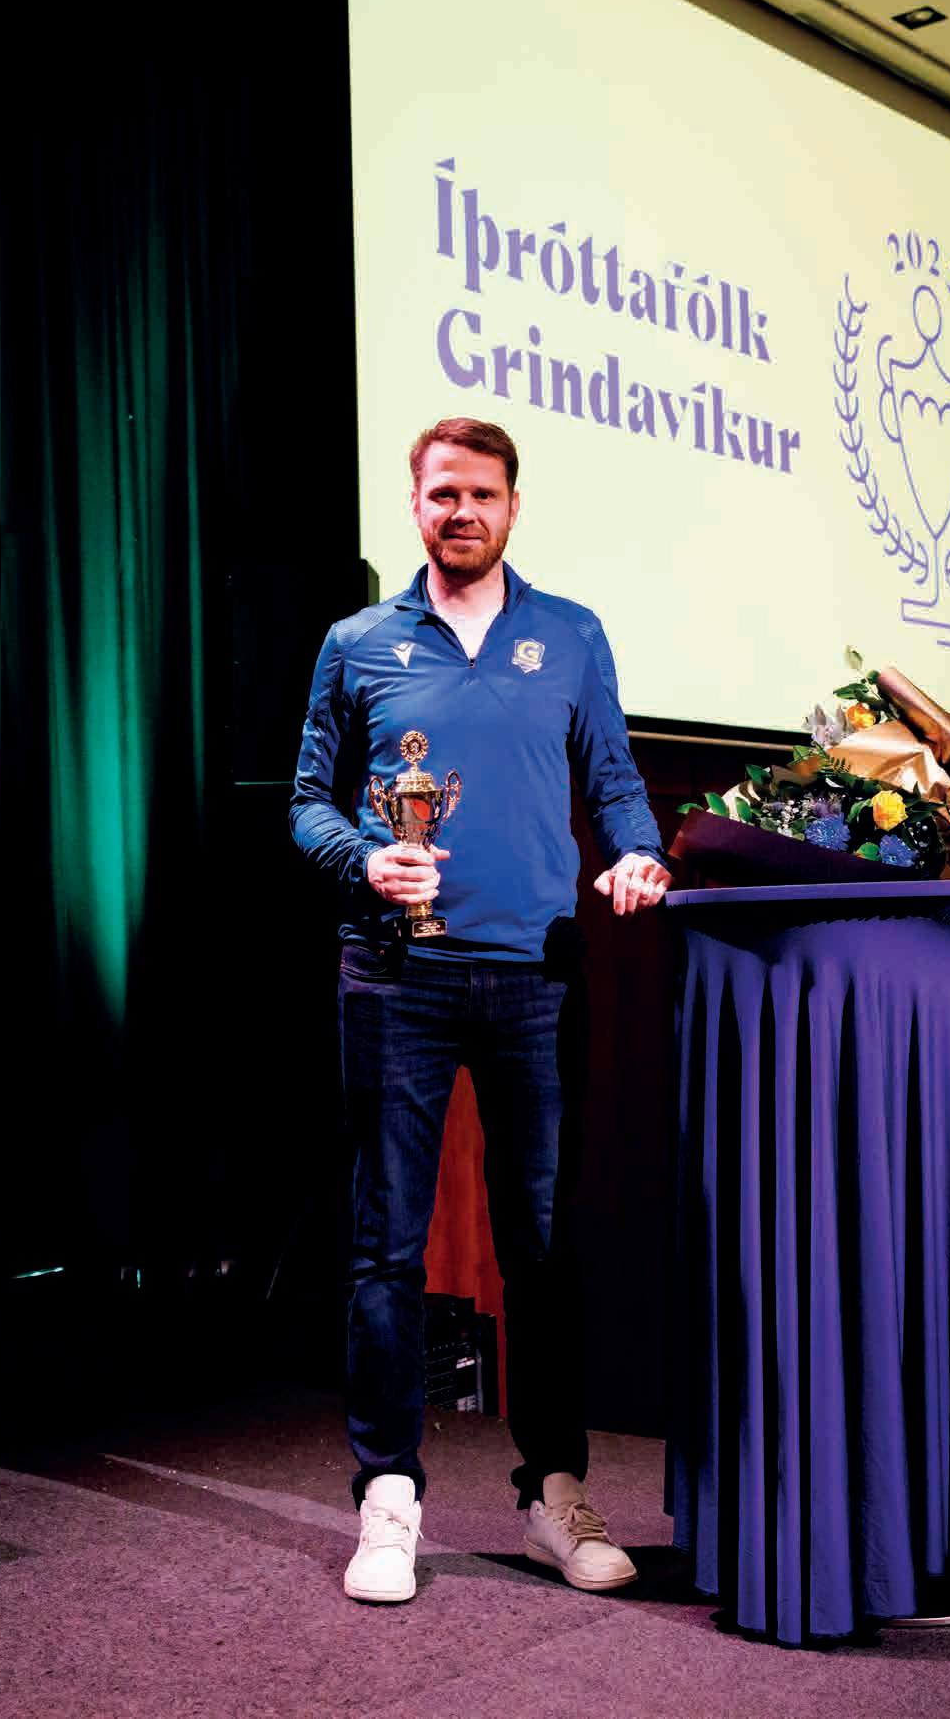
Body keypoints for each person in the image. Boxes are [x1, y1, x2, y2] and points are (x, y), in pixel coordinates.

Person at [290, 416, 670, 1604]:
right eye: (443, 493)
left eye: (483, 494)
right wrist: (362, 858)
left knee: (541, 1248)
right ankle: (387, 1497)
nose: (463, 511)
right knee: (385, 1246)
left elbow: (612, 779)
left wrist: (641, 853)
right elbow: (306, 801)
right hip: (392, 975)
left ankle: (555, 1490)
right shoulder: (357, 642)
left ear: (513, 505)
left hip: (535, 978)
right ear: (415, 505)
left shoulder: (571, 634)